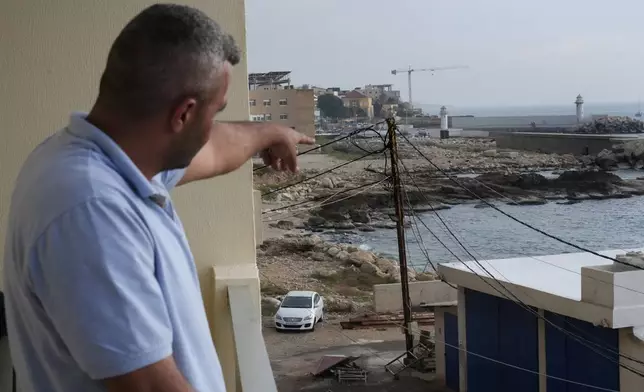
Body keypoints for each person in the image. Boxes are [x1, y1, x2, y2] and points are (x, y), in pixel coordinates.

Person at [3, 4, 312, 392]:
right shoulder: (93, 209)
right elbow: (149, 386)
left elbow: (216, 149)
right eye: (214, 111)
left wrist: (269, 133)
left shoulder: (101, 159)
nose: (212, 124)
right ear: (183, 114)